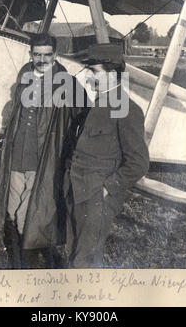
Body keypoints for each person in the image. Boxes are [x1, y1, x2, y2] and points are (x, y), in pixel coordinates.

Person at [0, 33, 87, 268]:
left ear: (55, 54)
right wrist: (5, 129)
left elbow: (84, 116)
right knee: (12, 212)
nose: (42, 59)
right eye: (37, 54)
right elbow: (15, 109)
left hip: (44, 161)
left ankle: (27, 266)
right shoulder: (24, 76)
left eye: (47, 54)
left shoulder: (67, 83)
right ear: (30, 53)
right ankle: (17, 264)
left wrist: (72, 146)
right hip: (16, 156)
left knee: (28, 216)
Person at [64, 43, 149, 268]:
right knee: (75, 253)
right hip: (78, 190)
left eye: (95, 71)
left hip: (97, 198)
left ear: (112, 73)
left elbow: (139, 163)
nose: (89, 77)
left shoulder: (128, 109)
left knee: (84, 260)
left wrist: (107, 188)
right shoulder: (97, 105)